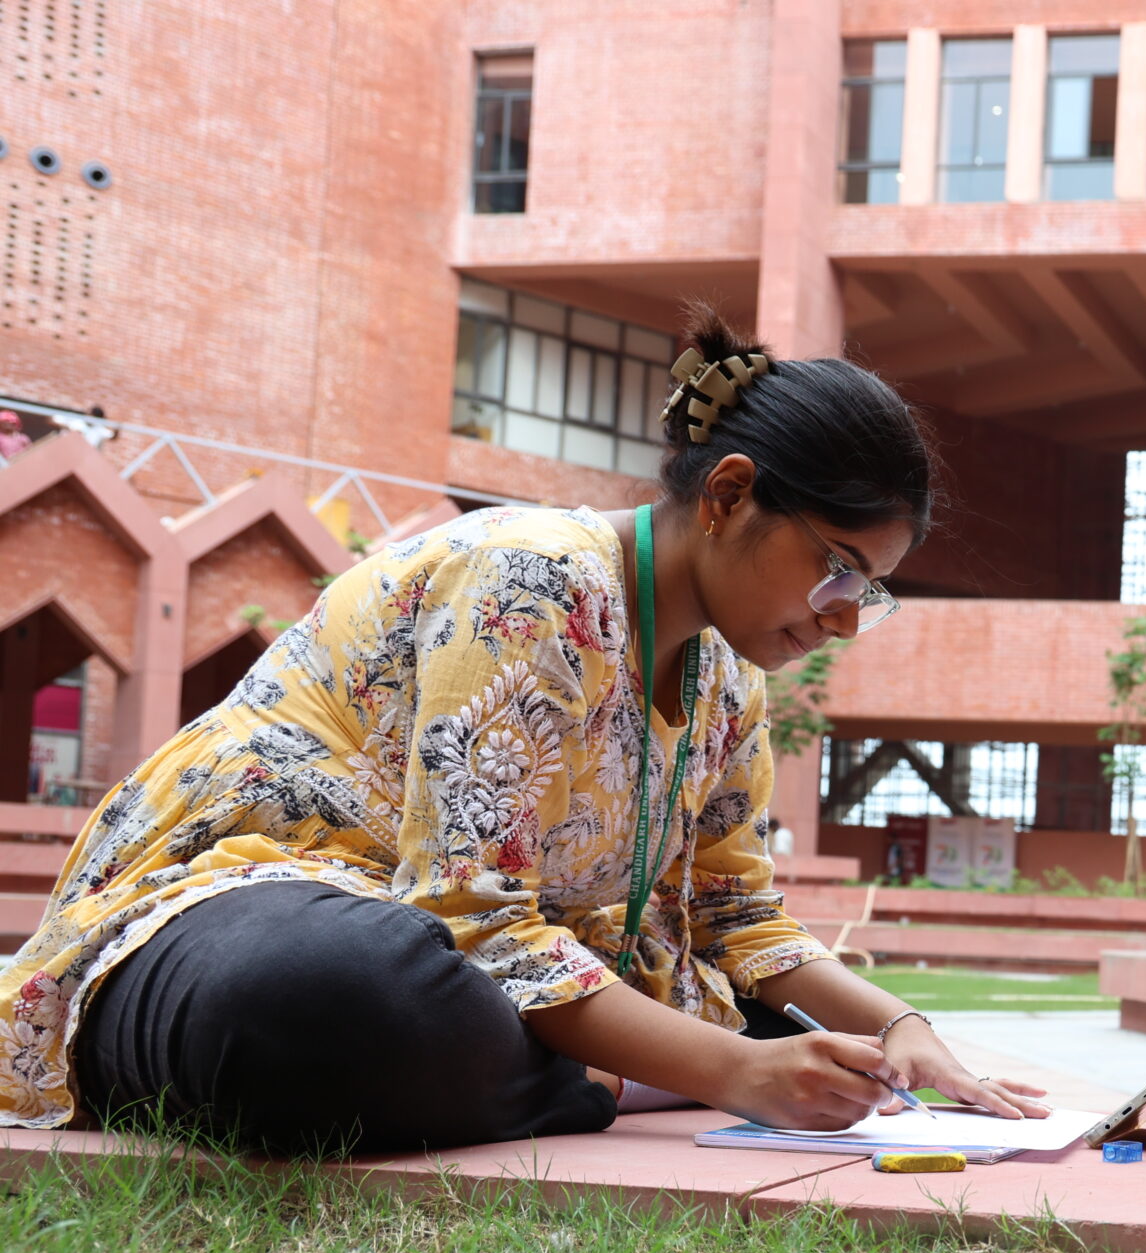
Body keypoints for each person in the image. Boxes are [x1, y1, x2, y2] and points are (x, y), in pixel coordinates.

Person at [0, 310, 1048, 1156]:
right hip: (251, 907)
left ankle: (595, 1068)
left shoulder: (727, 677)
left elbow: (735, 917)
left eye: (870, 593)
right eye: (839, 570)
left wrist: (900, 1026)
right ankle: (618, 1075)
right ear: (730, 496)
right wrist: (732, 1068)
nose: (843, 619)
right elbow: (471, 914)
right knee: (328, 994)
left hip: (475, 966)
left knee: (785, 1031)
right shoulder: (533, 579)